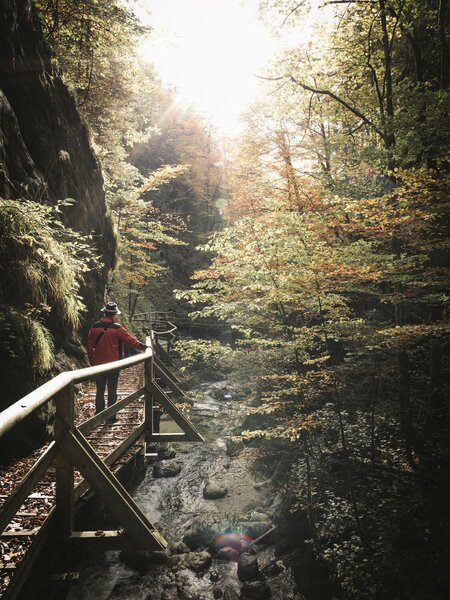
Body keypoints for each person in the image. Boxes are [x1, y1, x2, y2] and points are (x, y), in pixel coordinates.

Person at [87, 302, 147, 416]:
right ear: (114, 314)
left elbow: (90, 346)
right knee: (112, 390)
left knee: (99, 390)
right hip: (114, 364)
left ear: (104, 312)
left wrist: (92, 362)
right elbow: (130, 340)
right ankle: (111, 416)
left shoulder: (94, 327)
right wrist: (143, 346)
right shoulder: (117, 328)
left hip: (98, 365)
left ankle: (99, 414)